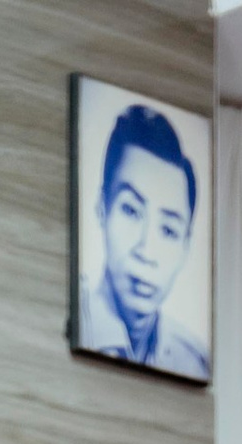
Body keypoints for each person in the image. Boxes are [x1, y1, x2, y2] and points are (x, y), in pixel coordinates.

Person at [74, 99, 208, 380]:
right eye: (131, 211)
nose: (146, 251)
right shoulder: (75, 321)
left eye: (169, 231)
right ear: (101, 209)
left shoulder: (195, 363)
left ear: (186, 246)